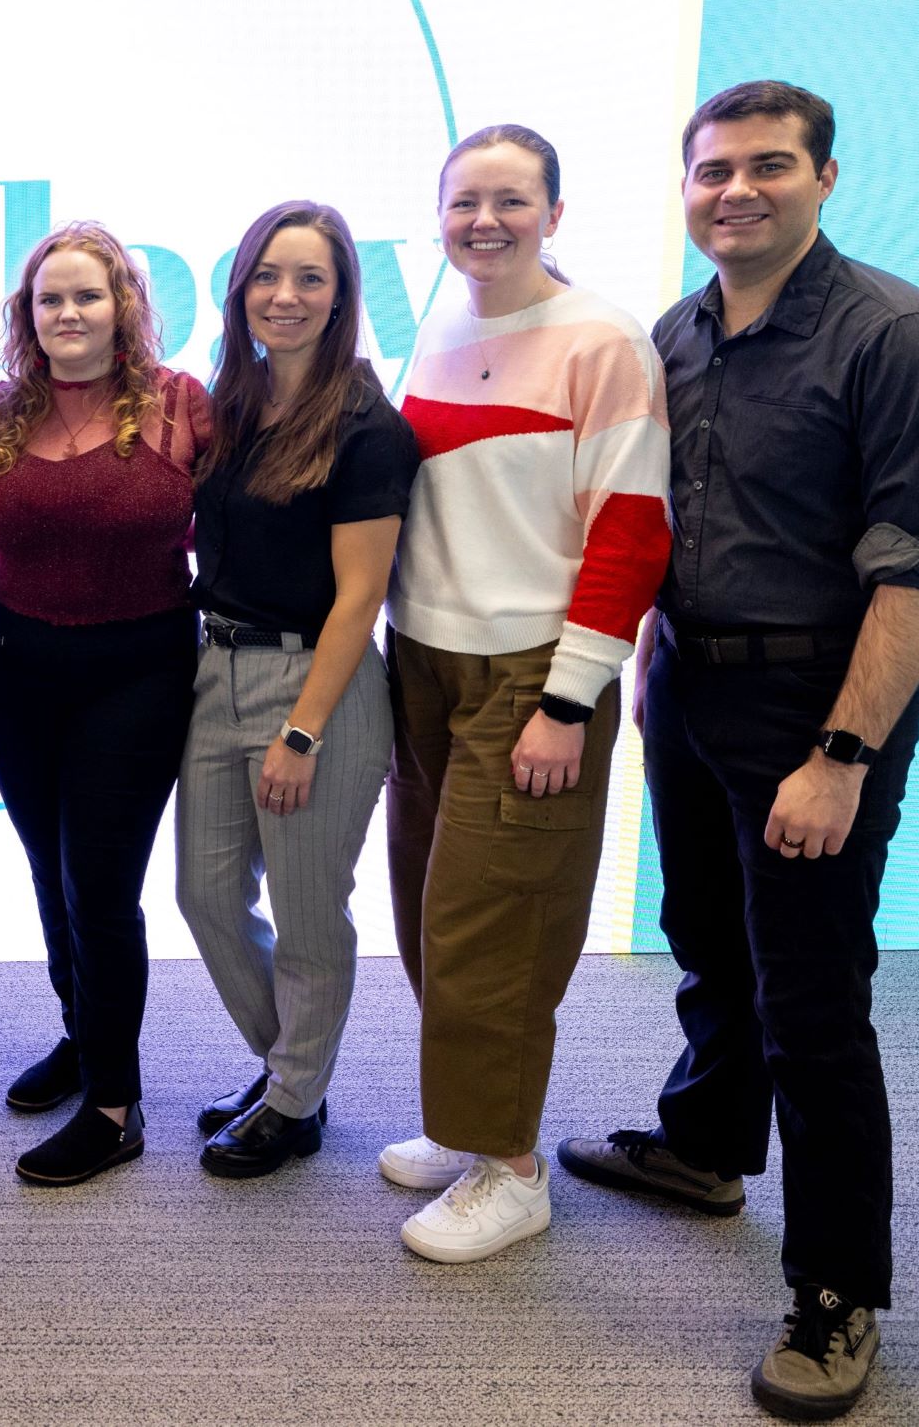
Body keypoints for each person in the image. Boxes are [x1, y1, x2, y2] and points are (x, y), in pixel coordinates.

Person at [558, 82, 919, 1422]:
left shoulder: (905, 339)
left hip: (818, 703)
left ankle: (838, 1287)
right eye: (711, 171)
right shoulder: (678, 333)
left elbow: (918, 572)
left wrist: (844, 751)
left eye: (767, 167)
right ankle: (704, 1145)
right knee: (707, 934)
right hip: (690, 681)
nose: (734, 191)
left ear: (826, 177)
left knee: (812, 995)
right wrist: (632, 675)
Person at [381, 124, 671, 1262]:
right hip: (424, 659)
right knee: (425, 910)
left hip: (529, 672)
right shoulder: (446, 324)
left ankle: (509, 1167)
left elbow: (631, 529)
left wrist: (567, 699)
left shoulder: (599, 338)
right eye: (463, 202)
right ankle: (473, 1120)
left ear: (555, 211)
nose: (483, 222)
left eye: (509, 200)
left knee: (489, 921)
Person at [0, 222, 206, 1185]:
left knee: (100, 886)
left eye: (87, 296)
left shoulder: (182, 407)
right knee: (51, 872)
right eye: (49, 299)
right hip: (11, 662)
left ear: (123, 306)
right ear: (28, 315)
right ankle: (80, 1034)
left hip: (138, 668)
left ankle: (114, 1104)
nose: (68, 313)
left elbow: (239, 533)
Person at [173, 202, 419, 1181]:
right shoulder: (227, 408)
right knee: (203, 895)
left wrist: (303, 733)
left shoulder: (367, 428)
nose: (284, 296)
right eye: (267, 276)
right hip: (215, 668)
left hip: (315, 683)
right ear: (239, 291)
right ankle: (291, 1075)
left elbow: (362, 595)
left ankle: (292, 1099)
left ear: (341, 295)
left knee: (311, 913)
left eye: (309, 278)